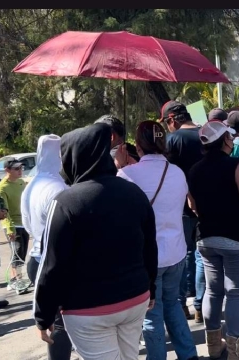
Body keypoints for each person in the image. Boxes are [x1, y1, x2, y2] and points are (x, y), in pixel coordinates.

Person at [33, 123, 158, 360]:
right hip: (135, 298)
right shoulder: (134, 192)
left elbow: (52, 265)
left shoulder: (65, 202)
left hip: (88, 308)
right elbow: (149, 247)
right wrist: (151, 288)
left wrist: (43, 315)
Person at [117, 121, 198, 360]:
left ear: (138, 144)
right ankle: (188, 354)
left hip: (146, 258)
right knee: (172, 305)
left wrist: (121, 167)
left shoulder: (126, 175)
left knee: (151, 314)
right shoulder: (177, 172)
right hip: (175, 251)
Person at [188, 120, 239, 359]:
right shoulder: (235, 165)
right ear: (223, 140)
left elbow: (193, 206)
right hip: (237, 238)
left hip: (207, 238)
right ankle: (237, 349)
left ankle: (214, 345)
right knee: (235, 294)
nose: (232, 141)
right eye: (230, 138)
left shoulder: (194, 170)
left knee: (213, 291)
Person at [21, 134, 72, 360]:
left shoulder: (30, 186)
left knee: (53, 321)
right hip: (53, 264)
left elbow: (26, 224)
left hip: (35, 259)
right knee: (61, 324)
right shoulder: (58, 188)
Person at [158, 100, 202, 319]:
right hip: (208, 204)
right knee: (202, 254)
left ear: (172, 120)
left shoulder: (172, 140)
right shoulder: (206, 134)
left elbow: (166, 173)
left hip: (181, 206)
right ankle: (201, 306)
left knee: (184, 254)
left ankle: (181, 304)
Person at [0, 157, 28, 288]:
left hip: (25, 222)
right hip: (13, 225)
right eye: (16, 168)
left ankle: (18, 278)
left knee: (24, 251)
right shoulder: (1, 188)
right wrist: (10, 229)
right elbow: (5, 210)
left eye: (21, 168)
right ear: (7, 170)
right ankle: (15, 280)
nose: (20, 170)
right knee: (17, 252)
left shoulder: (21, 182)